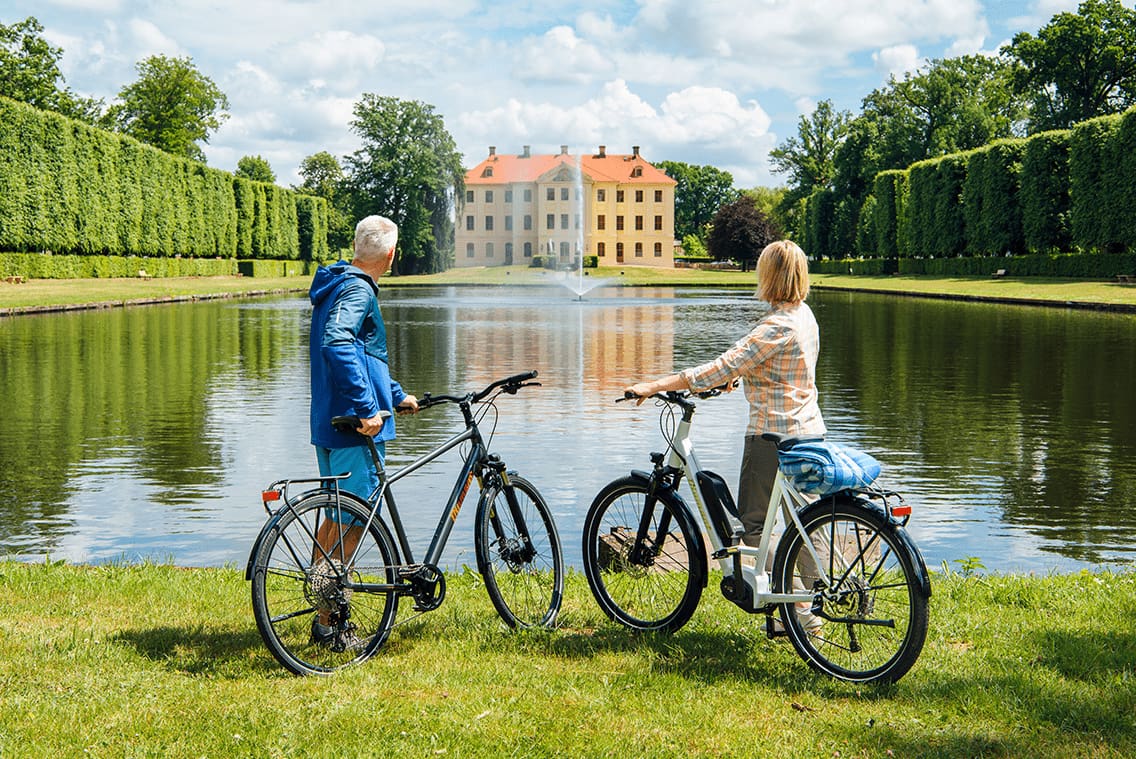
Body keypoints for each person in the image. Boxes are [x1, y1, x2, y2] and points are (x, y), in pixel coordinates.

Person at [625, 240, 826, 630]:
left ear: (769, 276)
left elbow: (720, 366)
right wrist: (744, 375)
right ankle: (822, 596)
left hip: (772, 436)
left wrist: (653, 385)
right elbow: (777, 368)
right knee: (804, 519)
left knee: (752, 528)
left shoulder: (774, 326)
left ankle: (799, 615)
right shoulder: (804, 316)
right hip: (810, 430)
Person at [308, 214, 418, 645]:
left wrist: (393, 394)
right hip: (356, 427)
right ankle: (332, 625)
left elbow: (360, 351)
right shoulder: (357, 288)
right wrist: (369, 408)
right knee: (352, 524)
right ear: (390, 255)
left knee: (334, 522)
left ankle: (322, 617)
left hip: (330, 421)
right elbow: (338, 341)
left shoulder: (336, 283)